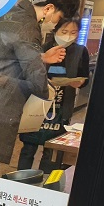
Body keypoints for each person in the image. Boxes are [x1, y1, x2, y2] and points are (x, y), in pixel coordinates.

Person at [0, 0, 80, 175]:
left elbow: (11, 57)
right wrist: (44, 83)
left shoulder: (14, 14)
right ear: (49, 8)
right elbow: (37, 82)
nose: (55, 24)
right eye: (58, 18)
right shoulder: (28, 26)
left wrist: (41, 57)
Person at [18, 18, 90, 172]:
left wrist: (79, 83)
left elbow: (85, 78)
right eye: (64, 32)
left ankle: (45, 186)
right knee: (28, 148)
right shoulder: (44, 48)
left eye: (73, 32)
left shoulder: (80, 51)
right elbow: (30, 73)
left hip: (63, 105)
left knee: (52, 150)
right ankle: (20, 181)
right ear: (56, 30)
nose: (68, 36)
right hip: (39, 105)